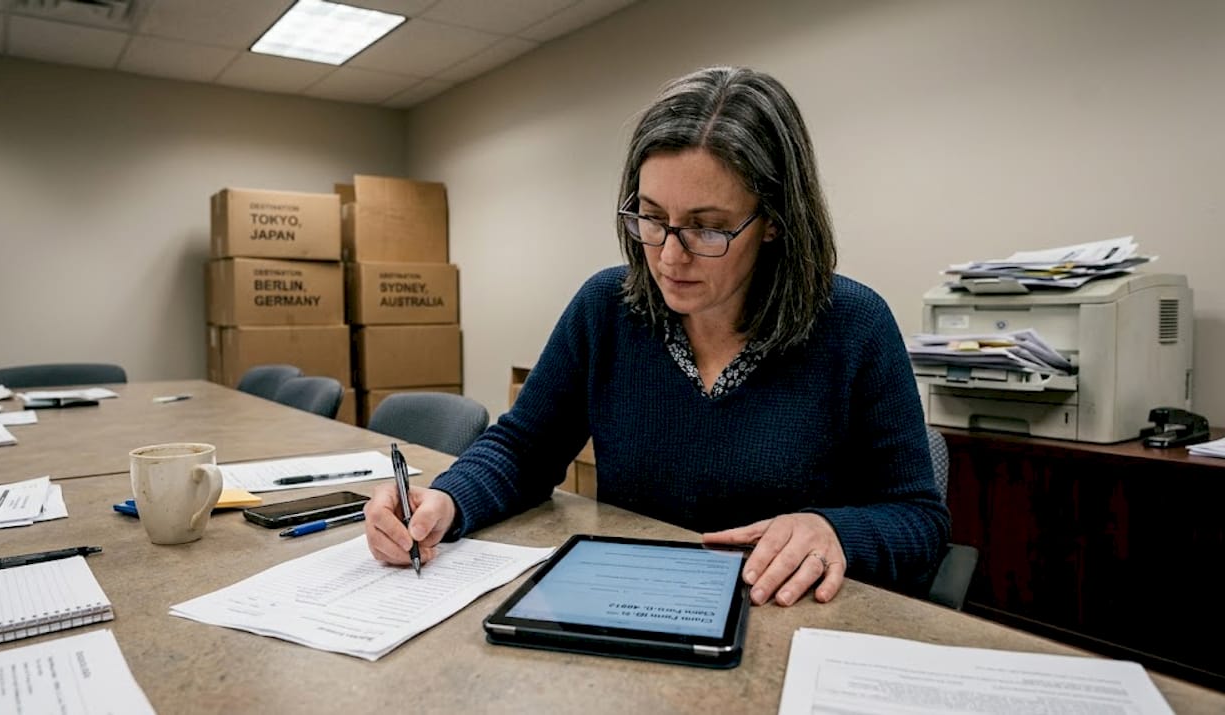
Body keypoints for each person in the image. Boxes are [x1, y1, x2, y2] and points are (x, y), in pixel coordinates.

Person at [364, 66, 949, 607]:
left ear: (774, 221)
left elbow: (919, 519)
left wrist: (834, 529)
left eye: (708, 228)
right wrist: (446, 499)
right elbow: (524, 448)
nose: (669, 256)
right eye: (650, 217)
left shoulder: (854, 325)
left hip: (786, 625)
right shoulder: (606, 308)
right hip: (633, 602)